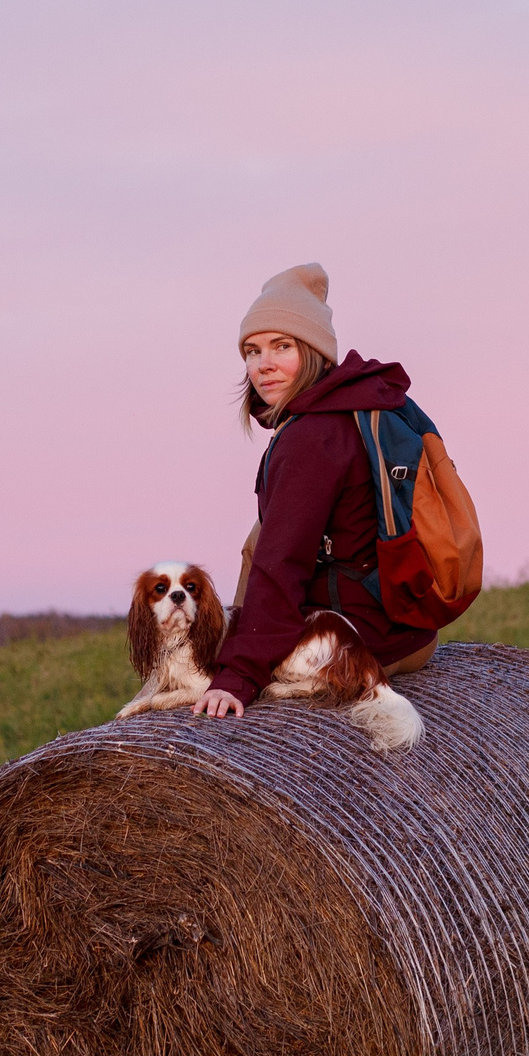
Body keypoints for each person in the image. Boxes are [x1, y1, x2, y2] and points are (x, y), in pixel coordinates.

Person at [192, 264, 436, 719]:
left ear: (315, 352)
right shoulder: (358, 406)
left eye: (281, 346)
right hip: (408, 634)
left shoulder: (311, 438)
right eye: (252, 350)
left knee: (196, 659)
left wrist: (239, 676)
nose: (262, 364)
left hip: (354, 649)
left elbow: (282, 561)